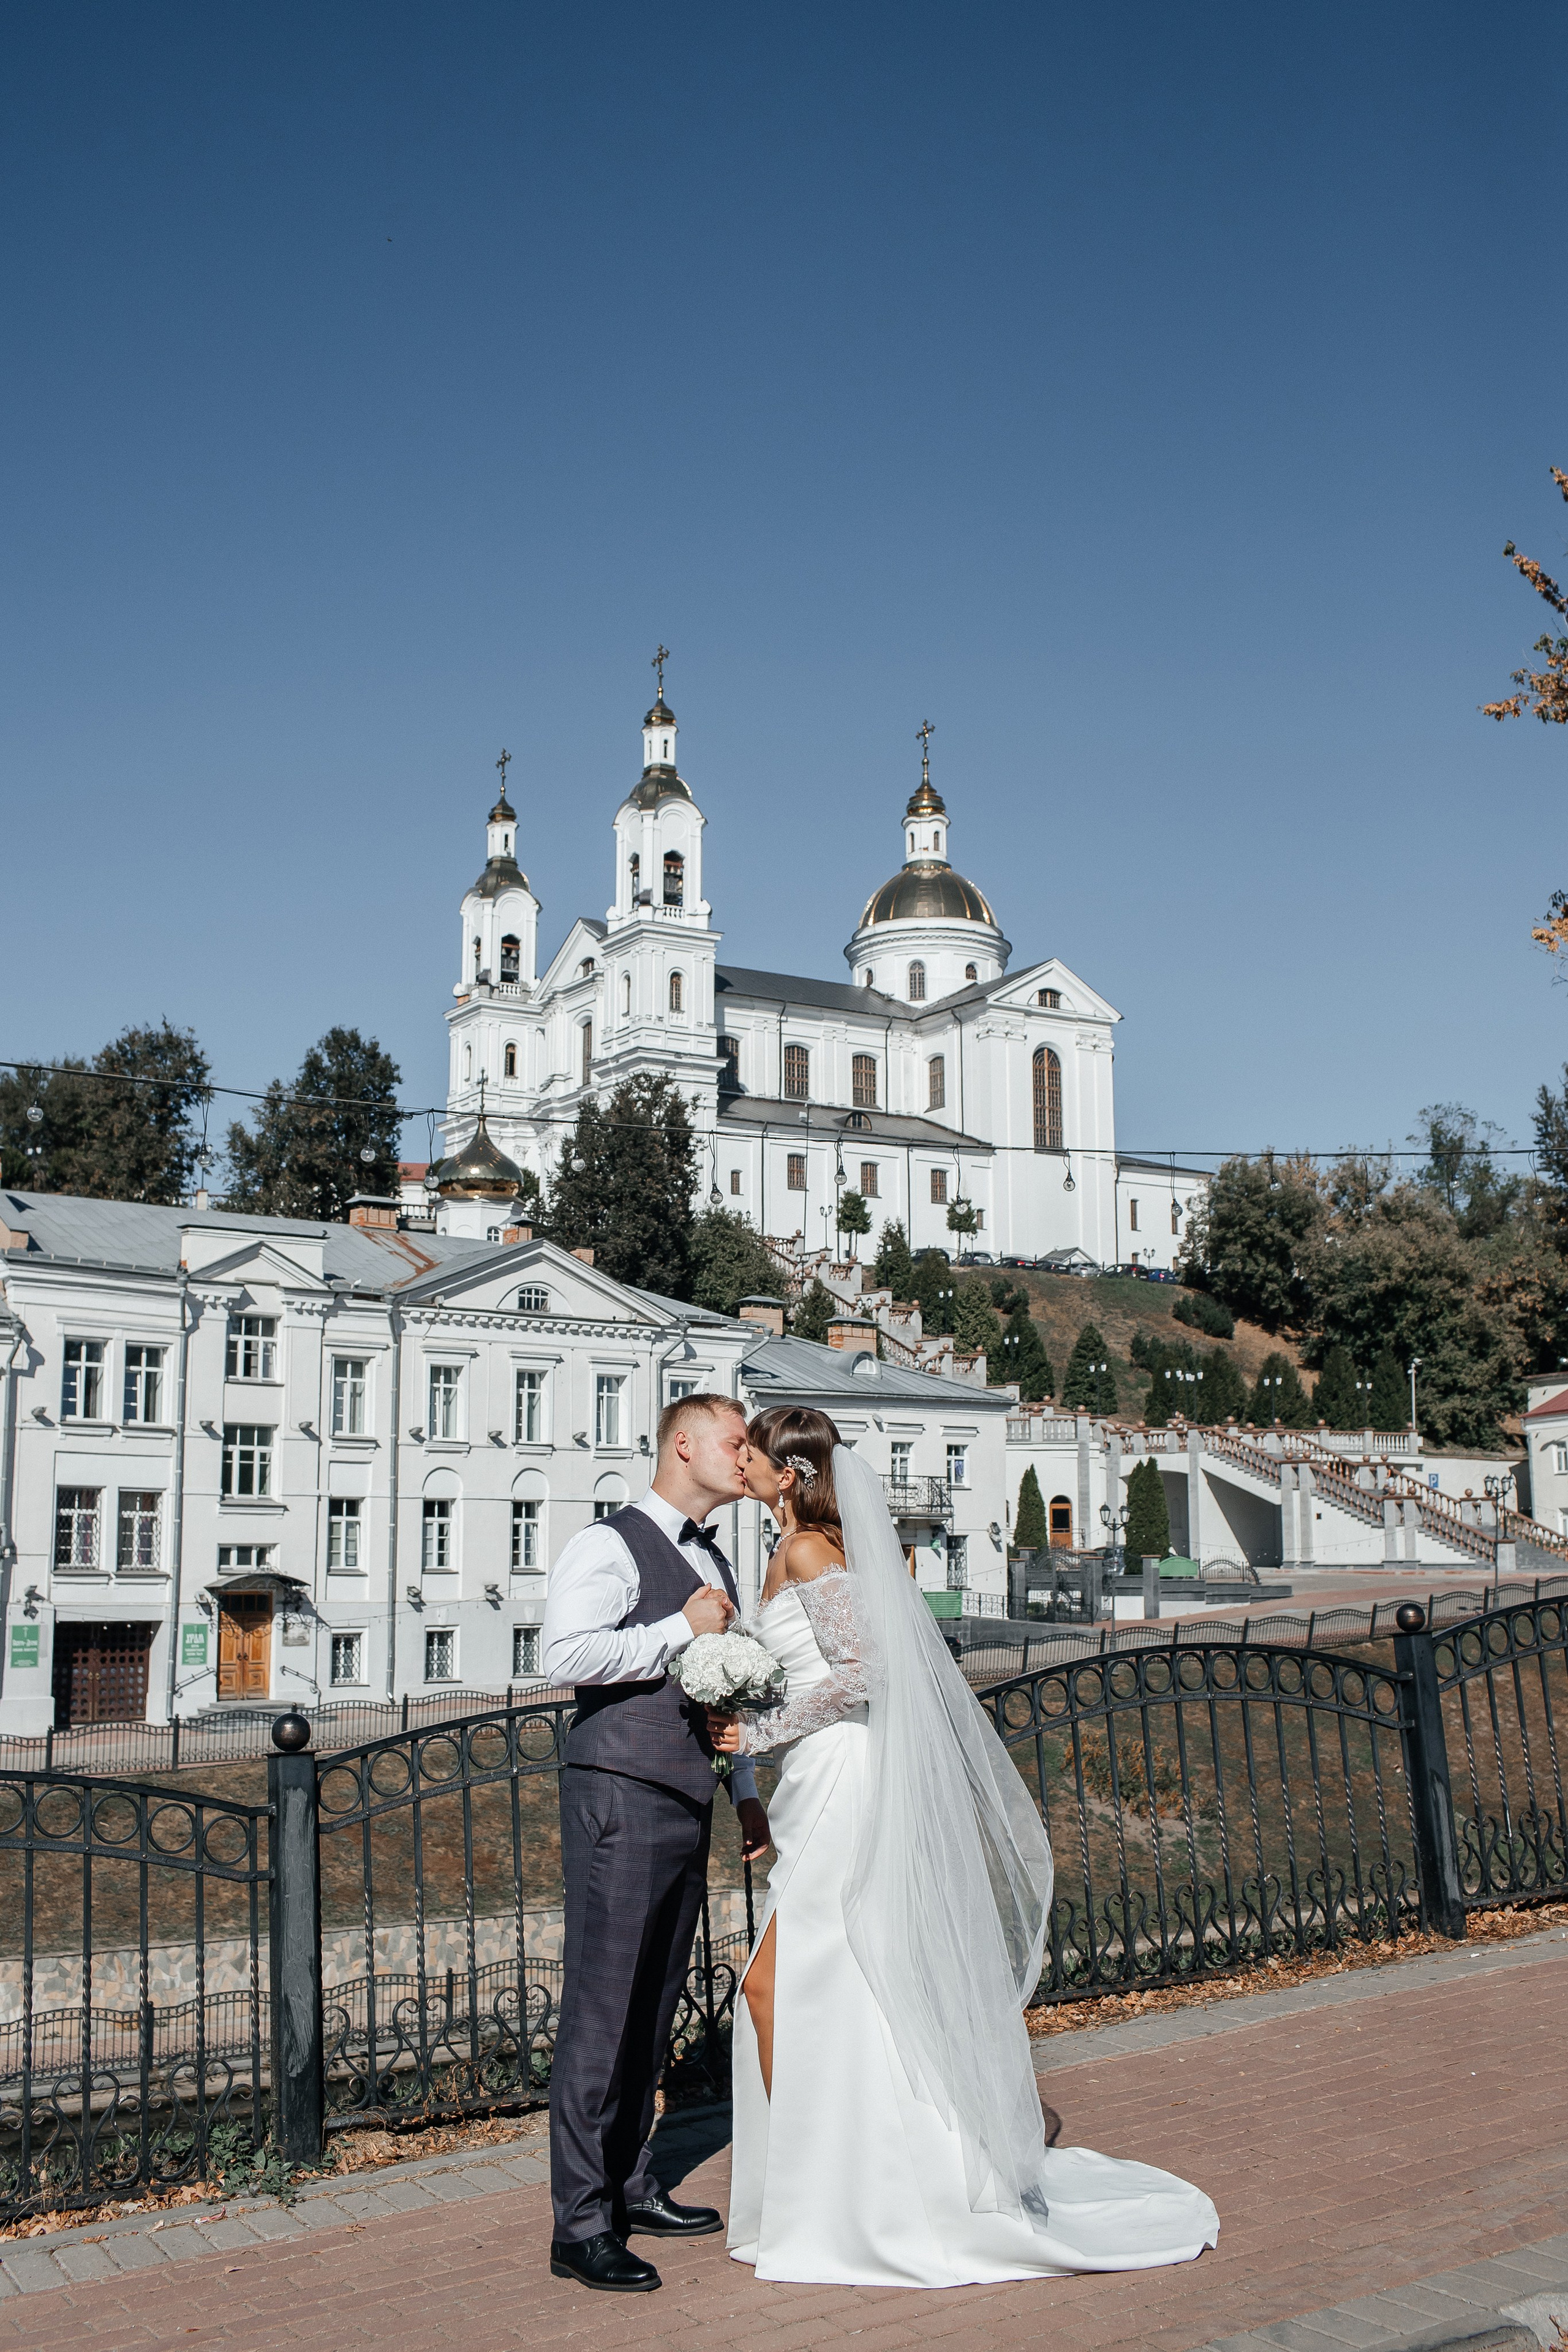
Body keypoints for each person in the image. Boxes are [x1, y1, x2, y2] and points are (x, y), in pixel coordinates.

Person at [710, 1406, 1219, 2289]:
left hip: (841, 1780)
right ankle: (841, 2177)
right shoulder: (790, 1548)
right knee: (834, 1984)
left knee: (779, 1984)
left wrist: (760, 1731)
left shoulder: (810, 1551)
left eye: (750, 1451)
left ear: (786, 1472)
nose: (741, 1462)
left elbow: (866, 1674)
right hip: (814, 1779)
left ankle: (830, 2188)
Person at [541, 1392, 771, 2294]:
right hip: (619, 1796)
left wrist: (744, 1793)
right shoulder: (608, 1544)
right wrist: (683, 1628)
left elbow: (722, 1695)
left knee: (653, 2004)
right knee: (604, 2009)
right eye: (735, 1442)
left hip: (687, 1798)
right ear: (684, 1445)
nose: (746, 1457)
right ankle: (580, 2223)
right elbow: (566, 1656)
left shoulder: (715, 1555)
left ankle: (631, 2185)